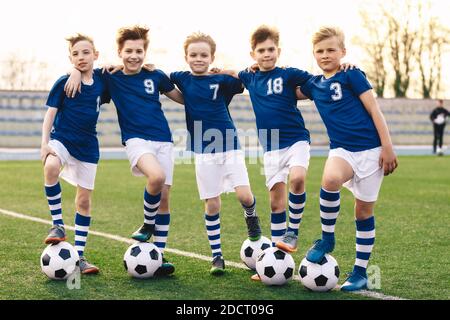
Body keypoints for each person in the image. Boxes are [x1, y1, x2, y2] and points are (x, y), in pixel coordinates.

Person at [64, 25, 184, 276]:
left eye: (139, 51)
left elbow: (183, 98)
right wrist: (74, 70)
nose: (134, 56)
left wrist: (210, 78)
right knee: (157, 177)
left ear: (145, 52)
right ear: (119, 52)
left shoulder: (157, 76)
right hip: (136, 140)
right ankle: (147, 224)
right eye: (128, 50)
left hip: (164, 139)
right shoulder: (112, 77)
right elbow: (86, 69)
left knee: (164, 199)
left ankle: (158, 257)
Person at [297, 26, 398, 291]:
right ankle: (327, 239)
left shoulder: (352, 74)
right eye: (320, 51)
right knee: (330, 179)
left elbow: (374, 110)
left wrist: (387, 147)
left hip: (372, 151)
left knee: (363, 212)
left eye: (331, 50)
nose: (326, 55)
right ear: (314, 55)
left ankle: (360, 272)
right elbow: (285, 86)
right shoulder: (313, 84)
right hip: (342, 150)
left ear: (343, 52)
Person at [170, 32, 262, 275]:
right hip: (203, 150)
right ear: (186, 56)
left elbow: (242, 81)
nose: (198, 59)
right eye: (193, 55)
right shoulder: (181, 78)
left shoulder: (220, 79)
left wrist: (228, 70)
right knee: (212, 204)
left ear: (211, 57)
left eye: (204, 55)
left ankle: (251, 217)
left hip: (229, 143)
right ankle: (217, 256)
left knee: (244, 195)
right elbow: (162, 79)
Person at [41, 33, 110, 274]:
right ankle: (58, 225)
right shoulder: (64, 81)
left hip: (88, 146)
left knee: (83, 201)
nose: (81, 57)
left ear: (96, 55)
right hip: (63, 139)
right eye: (76, 54)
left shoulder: (103, 81)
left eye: (86, 52)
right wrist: (44, 143)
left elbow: (118, 71)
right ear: (70, 58)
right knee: (50, 167)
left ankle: (79, 257)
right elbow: (50, 113)